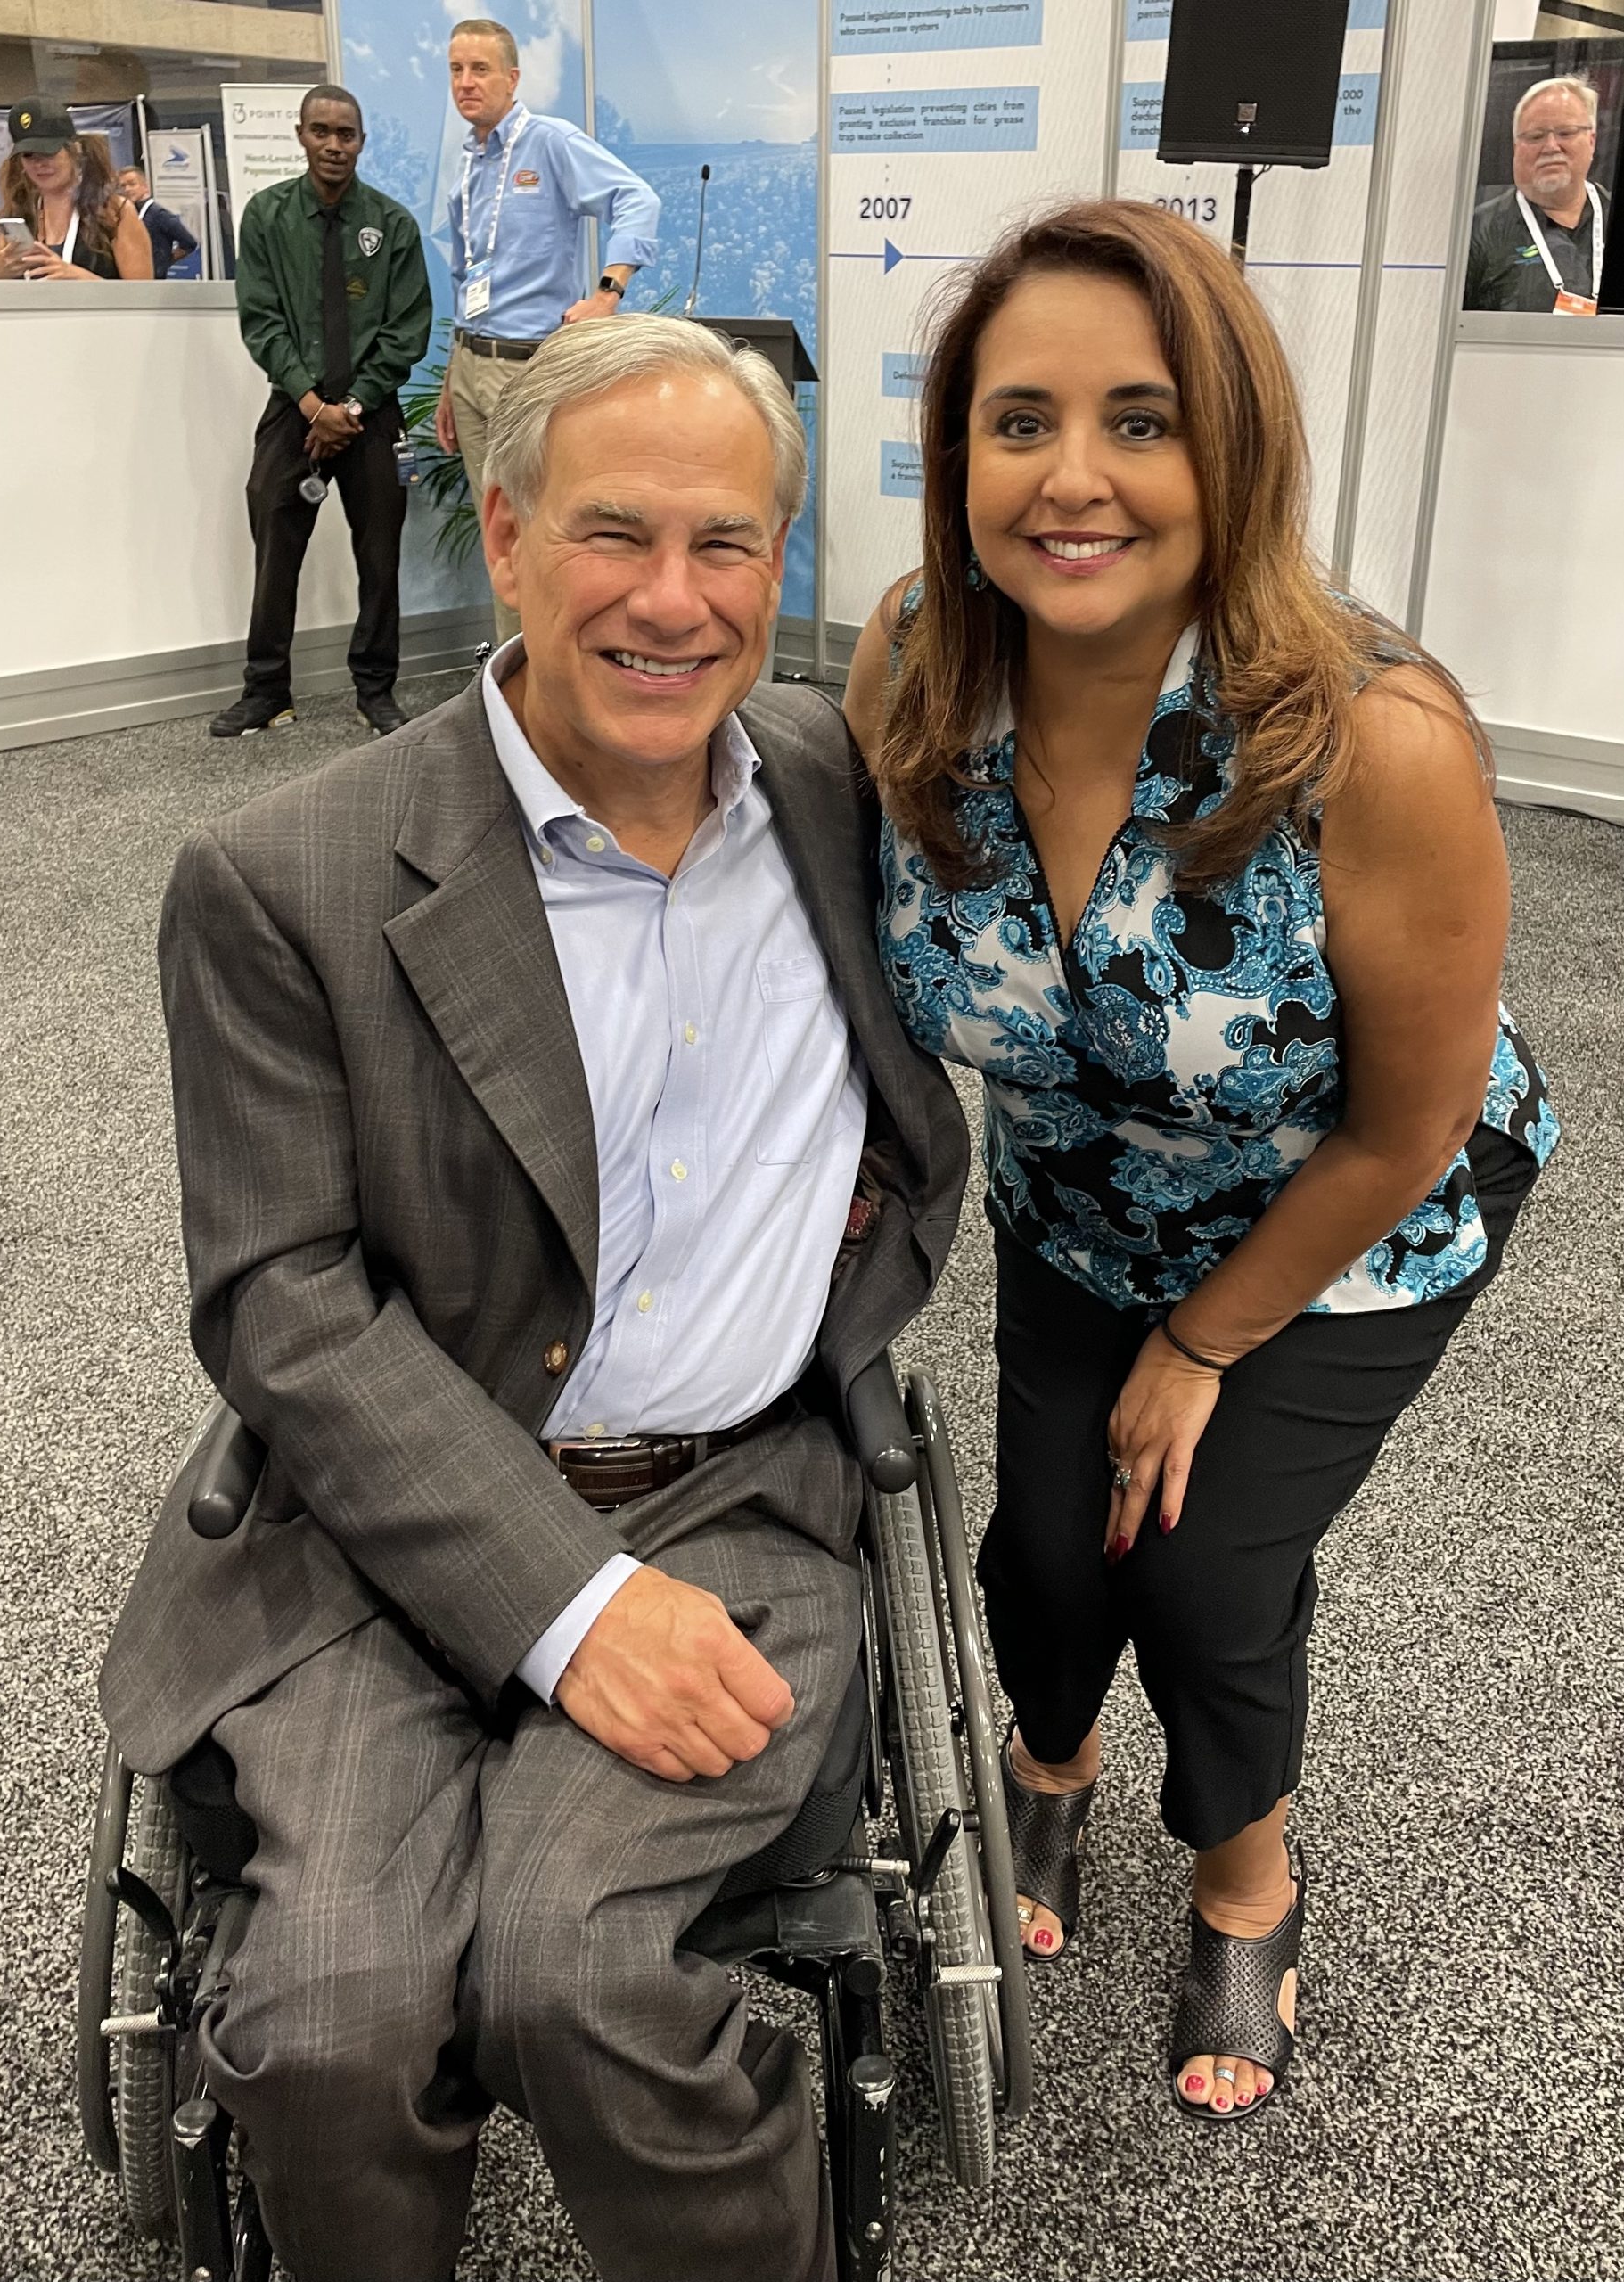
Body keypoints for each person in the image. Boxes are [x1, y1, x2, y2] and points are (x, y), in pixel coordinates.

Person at [99, 312, 968, 2282]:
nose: (674, 599)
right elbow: (282, 1302)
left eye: (729, 544)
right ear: (501, 536)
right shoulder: (281, 878)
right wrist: (569, 1613)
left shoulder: (846, 795)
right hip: (378, 1517)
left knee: (576, 1972)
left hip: (737, 1503)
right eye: (615, 535)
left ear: (782, 563)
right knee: (327, 2010)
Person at [848, 200, 1557, 2126]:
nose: (1073, 477)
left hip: (1353, 1216)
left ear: (1226, 447)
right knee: (1046, 1555)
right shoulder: (917, 660)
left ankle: (1248, 1875)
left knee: (1206, 1572)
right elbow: (877, 976)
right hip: (1079, 1200)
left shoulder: (1370, 736)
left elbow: (1410, 1126)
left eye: (1140, 421)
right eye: (1020, 422)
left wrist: (1206, 1342)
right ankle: (1050, 1766)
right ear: (957, 455)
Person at [213, 85, 431, 741]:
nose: (333, 145)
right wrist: (313, 404)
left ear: (362, 141)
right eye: (321, 131)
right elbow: (262, 321)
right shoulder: (267, 217)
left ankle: (375, 689)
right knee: (276, 549)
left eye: (346, 134)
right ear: (301, 135)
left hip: (373, 416)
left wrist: (353, 405)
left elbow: (406, 330)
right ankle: (266, 690)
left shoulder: (392, 226)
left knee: (379, 555)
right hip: (294, 410)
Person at [434, 15, 661, 642]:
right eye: (455, 69)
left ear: (511, 77)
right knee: (498, 532)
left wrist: (607, 293)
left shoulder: (549, 142)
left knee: (536, 529)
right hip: (473, 362)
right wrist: (453, 375)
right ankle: (515, 676)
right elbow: (467, 276)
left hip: (528, 366)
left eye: (479, 69)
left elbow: (637, 198)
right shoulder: (470, 166)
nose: (466, 82)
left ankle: (549, 677)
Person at [1467, 74, 1611, 314]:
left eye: (1566, 133)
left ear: (1592, 141)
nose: (1551, 146)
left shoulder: (1610, 214)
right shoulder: (1477, 233)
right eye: (1535, 136)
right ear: (1515, 148)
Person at [0, 103, 150, 282]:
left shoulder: (114, 212)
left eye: (48, 152)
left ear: (74, 150)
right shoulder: (18, 217)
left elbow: (143, 298)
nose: (39, 163)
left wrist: (80, 278)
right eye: (28, 155)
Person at [116, 162, 200, 278]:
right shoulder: (128, 214)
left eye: (132, 184)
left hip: (154, 281)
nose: (127, 189)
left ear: (145, 186)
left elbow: (189, 242)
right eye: (123, 186)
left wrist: (164, 261)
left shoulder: (159, 214)